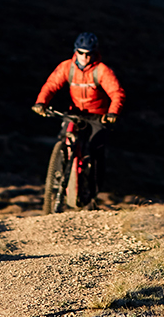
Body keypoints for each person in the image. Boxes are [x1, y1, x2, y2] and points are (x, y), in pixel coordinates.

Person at [32, 31, 125, 198]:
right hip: (75, 112)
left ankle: (93, 190)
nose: (84, 57)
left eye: (88, 53)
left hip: (98, 115)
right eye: (81, 52)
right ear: (75, 51)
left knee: (96, 150)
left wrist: (112, 113)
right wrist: (41, 103)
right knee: (64, 139)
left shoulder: (101, 70)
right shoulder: (67, 67)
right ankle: (58, 176)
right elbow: (51, 85)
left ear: (94, 52)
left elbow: (116, 92)